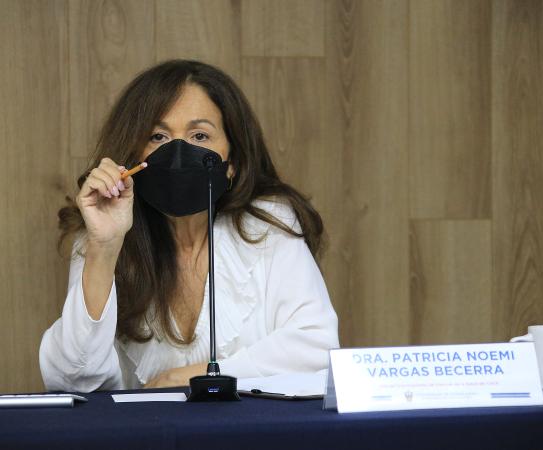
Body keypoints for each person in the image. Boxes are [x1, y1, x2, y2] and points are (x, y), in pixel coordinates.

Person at [39, 60, 339, 392]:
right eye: (158, 136)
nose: (178, 153)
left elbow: (318, 349)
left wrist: (192, 378)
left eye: (200, 135)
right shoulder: (101, 235)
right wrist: (105, 248)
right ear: (133, 157)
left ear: (232, 163)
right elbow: (73, 381)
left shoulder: (268, 225)